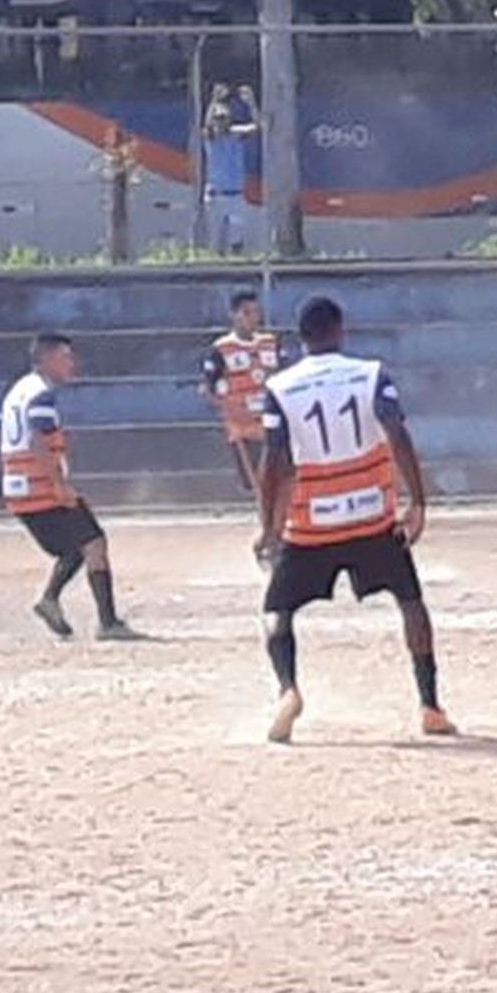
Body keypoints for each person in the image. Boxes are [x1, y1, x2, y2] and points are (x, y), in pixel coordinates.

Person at [255, 294, 456, 744]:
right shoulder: (370, 374)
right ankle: (430, 705)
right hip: (371, 514)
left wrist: (269, 527)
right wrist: (417, 501)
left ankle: (288, 691)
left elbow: (275, 462)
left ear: (301, 338)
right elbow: (397, 432)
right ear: (340, 331)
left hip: (311, 523)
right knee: (410, 600)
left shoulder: (281, 388)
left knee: (276, 610)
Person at [0, 332, 139, 642]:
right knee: (95, 542)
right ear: (46, 359)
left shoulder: (17, 392)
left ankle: (51, 600)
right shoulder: (41, 396)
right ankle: (107, 622)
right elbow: (37, 441)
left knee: (79, 547)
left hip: (16, 488)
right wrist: (57, 484)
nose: (72, 364)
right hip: (40, 487)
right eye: (65, 357)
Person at [201, 286, 281, 496]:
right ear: (234, 315)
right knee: (253, 483)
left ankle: (273, 524)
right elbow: (207, 389)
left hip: (272, 426)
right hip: (243, 429)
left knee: (277, 479)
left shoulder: (270, 343)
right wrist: (229, 410)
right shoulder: (221, 349)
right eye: (246, 313)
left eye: (255, 312)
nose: (252, 318)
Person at [202, 82, 260, 255]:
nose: (220, 121)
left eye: (223, 118)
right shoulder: (211, 138)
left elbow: (257, 126)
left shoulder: (236, 135)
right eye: (217, 118)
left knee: (237, 237)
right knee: (214, 242)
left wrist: (251, 104)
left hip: (236, 195)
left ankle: (237, 264)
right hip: (215, 196)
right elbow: (206, 126)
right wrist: (214, 100)